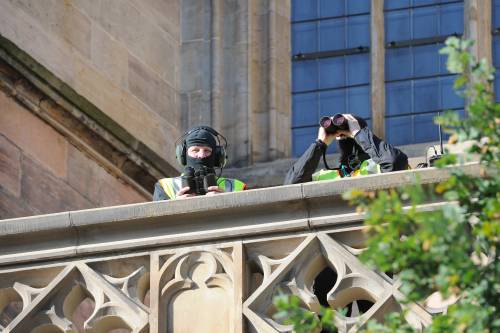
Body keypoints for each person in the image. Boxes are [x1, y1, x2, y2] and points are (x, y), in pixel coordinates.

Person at [284, 114, 408, 184]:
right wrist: (320, 143)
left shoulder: (378, 165)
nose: (343, 137)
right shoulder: (324, 176)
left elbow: (395, 163)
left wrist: (358, 133)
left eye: (347, 132)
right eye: (339, 135)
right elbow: (291, 184)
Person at [153, 126, 246, 200]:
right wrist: (176, 206)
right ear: (183, 156)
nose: (201, 155)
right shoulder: (164, 186)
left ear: (217, 156)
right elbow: (156, 222)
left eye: (207, 151)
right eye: (195, 150)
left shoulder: (237, 187)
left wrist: (226, 202)